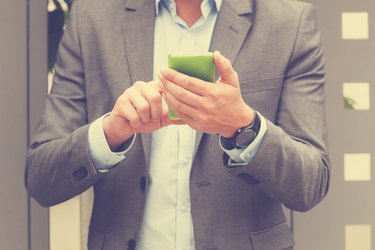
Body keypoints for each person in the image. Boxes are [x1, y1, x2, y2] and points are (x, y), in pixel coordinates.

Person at [25, 0, 331, 249]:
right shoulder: (91, 17)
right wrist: (111, 132)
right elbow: (41, 177)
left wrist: (244, 128)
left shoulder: (290, 22)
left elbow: (310, 182)